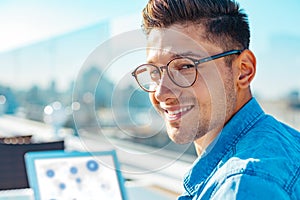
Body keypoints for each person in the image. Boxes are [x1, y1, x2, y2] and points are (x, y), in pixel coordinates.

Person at [131, 0, 300, 199]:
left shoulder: (244, 184)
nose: (161, 93)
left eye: (185, 67)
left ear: (243, 70)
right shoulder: (282, 142)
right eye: (154, 72)